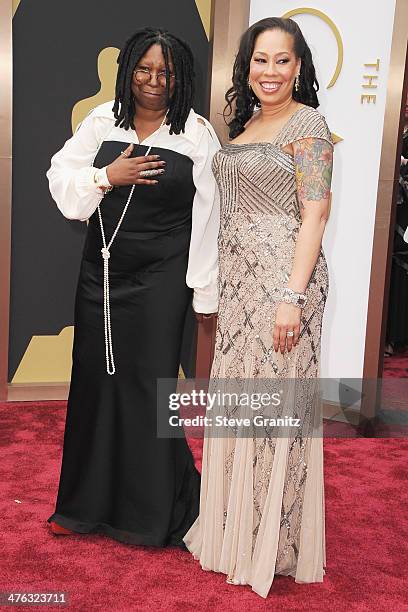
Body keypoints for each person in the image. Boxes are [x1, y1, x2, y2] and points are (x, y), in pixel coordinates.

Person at [46, 28, 220, 548]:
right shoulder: (103, 120)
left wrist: (204, 295)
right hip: (100, 274)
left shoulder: (196, 133)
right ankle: (83, 508)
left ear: (180, 78)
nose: (153, 80)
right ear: (128, 70)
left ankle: (148, 515)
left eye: (164, 72)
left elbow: (210, 218)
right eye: (143, 69)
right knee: (95, 385)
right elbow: (63, 185)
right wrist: (106, 175)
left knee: (149, 388)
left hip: (164, 277)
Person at [184, 17, 334, 596]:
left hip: (282, 287)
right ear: (245, 66)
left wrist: (292, 297)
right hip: (241, 288)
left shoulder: (308, 125)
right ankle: (235, 531)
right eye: (260, 60)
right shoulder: (244, 125)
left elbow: (314, 215)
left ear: (300, 67)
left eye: (282, 60)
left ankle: (272, 542)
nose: (269, 72)